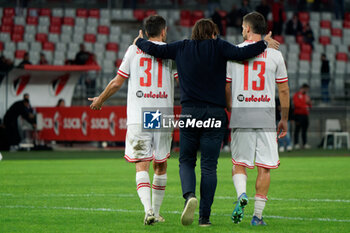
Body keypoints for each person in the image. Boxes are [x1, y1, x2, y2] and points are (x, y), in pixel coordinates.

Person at [135, 18, 279, 226]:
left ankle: (189, 196)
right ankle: (205, 218)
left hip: (190, 113)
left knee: (186, 161)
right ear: (213, 34)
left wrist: (139, 41)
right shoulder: (219, 46)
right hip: (214, 114)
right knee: (209, 167)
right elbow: (242, 54)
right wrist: (264, 42)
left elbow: (154, 50)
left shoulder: (182, 47)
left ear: (194, 33)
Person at [89, 15, 177, 225]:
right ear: (164, 31)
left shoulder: (133, 50)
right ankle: (155, 211)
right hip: (161, 114)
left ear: (146, 32)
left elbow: (117, 82)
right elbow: (184, 79)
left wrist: (101, 99)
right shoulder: (171, 53)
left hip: (139, 115)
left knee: (141, 164)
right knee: (161, 164)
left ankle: (148, 211)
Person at [226, 12, 289, 226]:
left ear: (246, 29)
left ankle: (241, 195)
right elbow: (284, 90)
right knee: (265, 167)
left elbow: (227, 86)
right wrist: (284, 118)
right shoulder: (275, 55)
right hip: (265, 116)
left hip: (242, 113)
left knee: (239, 163)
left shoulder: (233, 52)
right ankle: (257, 217)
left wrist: (231, 107)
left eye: (243, 27)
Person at [293, 84, 311, 149]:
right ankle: (296, 143)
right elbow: (296, 104)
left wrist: (309, 103)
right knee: (297, 129)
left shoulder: (306, 96)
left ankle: (305, 143)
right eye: (306, 89)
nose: (306, 90)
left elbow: (310, 106)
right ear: (303, 88)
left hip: (305, 115)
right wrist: (305, 105)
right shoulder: (297, 95)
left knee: (304, 130)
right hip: (298, 115)